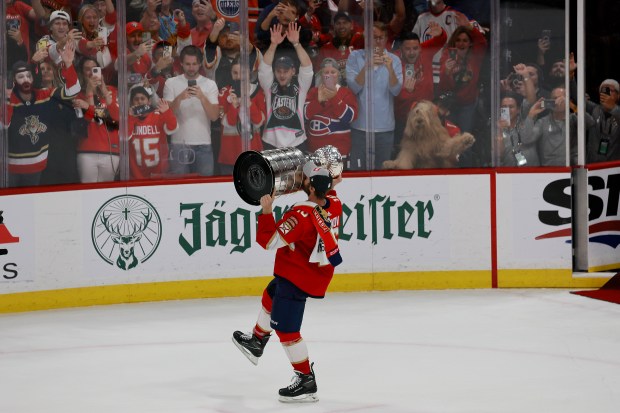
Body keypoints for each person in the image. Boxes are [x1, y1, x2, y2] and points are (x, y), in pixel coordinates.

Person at [232, 161, 343, 403]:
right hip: (310, 272)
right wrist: (330, 179)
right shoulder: (333, 204)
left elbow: (270, 242)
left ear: (311, 188)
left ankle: (305, 380)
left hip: (298, 277)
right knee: (271, 294)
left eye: (305, 178)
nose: (300, 178)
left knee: (286, 328)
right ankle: (257, 340)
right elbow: (330, 188)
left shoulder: (301, 216)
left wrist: (266, 210)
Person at [6, 43, 80, 187]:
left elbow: (73, 90)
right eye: (21, 77)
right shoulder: (9, 99)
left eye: (28, 76)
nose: (26, 79)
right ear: (14, 81)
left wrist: (69, 64)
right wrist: (7, 101)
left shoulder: (44, 95)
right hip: (10, 167)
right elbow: (4, 124)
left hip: (37, 166)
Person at [346, 21, 402, 170]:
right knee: (357, 171)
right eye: (374, 37)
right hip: (360, 127)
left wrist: (390, 69)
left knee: (383, 173)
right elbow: (354, 87)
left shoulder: (394, 60)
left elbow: (396, 90)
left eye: (381, 38)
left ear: (386, 39)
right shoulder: (355, 57)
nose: (378, 41)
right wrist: (367, 67)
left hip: (385, 128)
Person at [163, 45, 220, 176]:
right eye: (188, 64)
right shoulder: (171, 83)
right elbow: (166, 115)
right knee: (178, 188)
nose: (191, 67)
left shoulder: (210, 84)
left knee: (205, 188)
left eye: (194, 64)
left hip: (204, 144)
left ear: (200, 64)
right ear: (181, 64)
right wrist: (179, 98)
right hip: (178, 144)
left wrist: (202, 97)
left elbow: (214, 116)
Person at [259, 22, 313, 150]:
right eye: (279, 71)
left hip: (297, 142)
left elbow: (308, 68)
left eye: (286, 71)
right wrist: (273, 45)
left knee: (298, 171)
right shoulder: (269, 85)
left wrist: (296, 44)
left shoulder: (300, 86)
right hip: (271, 142)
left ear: (293, 71)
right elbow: (264, 68)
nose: (282, 75)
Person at [394, 22, 446, 148]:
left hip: (427, 116)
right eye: (407, 49)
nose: (412, 52)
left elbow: (441, 40)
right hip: (403, 118)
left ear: (420, 47)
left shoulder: (425, 52)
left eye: (415, 48)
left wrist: (441, 33)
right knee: (405, 153)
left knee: (427, 153)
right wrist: (407, 91)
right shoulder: (393, 60)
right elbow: (393, 93)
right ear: (401, 49)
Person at [72, 56, 121, 182]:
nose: (91, 73)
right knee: (88, 193)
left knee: (107, 194)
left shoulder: (112, 91)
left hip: (110, 150)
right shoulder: (78, 95)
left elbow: (115, 119)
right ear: (82, 72)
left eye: (94, 69)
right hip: (86, 151)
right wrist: (89, 93)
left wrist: (104, 90)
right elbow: (91, 120)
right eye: (87, 69)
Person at [412, 0, 481, 84]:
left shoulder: (457, 14)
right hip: (427, 75)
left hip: (450, 75)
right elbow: (412, 44)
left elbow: (480, 35)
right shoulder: (422, 17)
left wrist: (469, 26)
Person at [217, 59, 266, 175]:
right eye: (235, 73)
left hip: (253, 154)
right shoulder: (224, 92)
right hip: (229, 155)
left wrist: (249, 103)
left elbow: (259, 122)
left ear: (249, 73)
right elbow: (228, 123)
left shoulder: (258, 92)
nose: (239, 77)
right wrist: (233, 106)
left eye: (242, 73)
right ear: (230, 73)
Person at [304, 58, 358, 162]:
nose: (329, 75)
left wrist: (334, 97)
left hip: (339, 153)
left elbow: (350, 117)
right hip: (314, 152)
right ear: (321, 75)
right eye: (326, 72)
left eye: (333, 72)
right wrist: (318, 102)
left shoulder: (346, 92)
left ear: (338, 74)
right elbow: (305, 115)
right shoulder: (313, 92)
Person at [437, 21, 487, 133]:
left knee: (464, 137)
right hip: (448, 105)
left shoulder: (475, 56)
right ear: (454, 43)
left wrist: (470, 28)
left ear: (470, 43)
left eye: (465, 41)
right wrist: (447, 72)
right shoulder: (447, 55)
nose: (461, 44)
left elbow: (482, 43)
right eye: (458, 40)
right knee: (447, 137)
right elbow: (443, 86)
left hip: (467, 105)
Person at [127, 86, 178, 179]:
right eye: (136, 99)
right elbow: (124, 136)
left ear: (149, 101)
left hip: (159, 173)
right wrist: (131, 117)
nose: (140, 101)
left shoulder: (158, 116)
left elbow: (173, 128)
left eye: (143, 98)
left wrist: (167, 112)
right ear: (131, 103)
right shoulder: (129, 119)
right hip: (136, 174)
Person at [521, 86, 574, 166]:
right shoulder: (543, 122)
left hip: (570, 169)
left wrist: (572, 106)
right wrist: (531, 115)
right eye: (554, 98)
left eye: (561, 98)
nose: (557, 101)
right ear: (550, 101)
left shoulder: (574, 119)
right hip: (549, 171)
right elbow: (526, 139)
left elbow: (590, 122)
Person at [496, 92, 540, 167]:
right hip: (509, 173)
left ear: (518, 110)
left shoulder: (527, 122)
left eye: (511, 107)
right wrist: (499, 130)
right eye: (504, 107)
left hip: (532, 172)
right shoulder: (497, 129)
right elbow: (499, 154)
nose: (508, 110)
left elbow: (527, 138)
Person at [584, 79, 620, 163]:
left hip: (614, 168)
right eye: (604, 91)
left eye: (610, 90)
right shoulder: (594, 109)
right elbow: (575, 97)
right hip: (592, 166)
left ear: (618, 95)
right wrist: (571, 78)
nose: (607, 94)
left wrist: (613, 108)